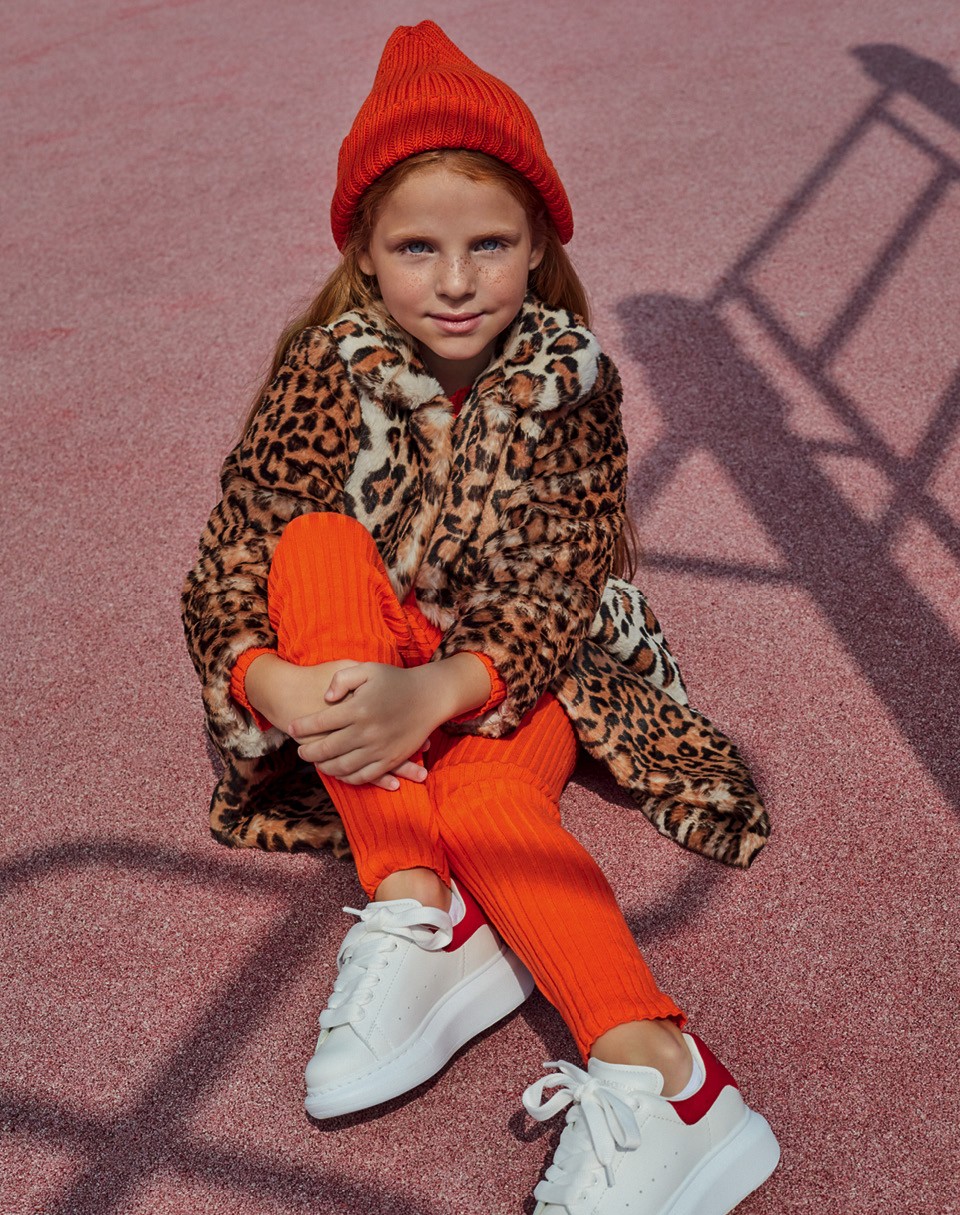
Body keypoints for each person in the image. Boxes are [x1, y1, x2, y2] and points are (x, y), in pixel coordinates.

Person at [182, 20, 778, 1214]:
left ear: (538, 242)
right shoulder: (323, 368)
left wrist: (433, 695)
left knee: (488, 799)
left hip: (534, 667)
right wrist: (266, 679)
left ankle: (670, 1082)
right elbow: (233, 554)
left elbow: (558, 583)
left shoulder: (569, 379)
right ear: (364, 255)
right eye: (417, 247)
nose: (455, 282)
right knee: (312, 545)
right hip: (372, 652)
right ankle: (415, 897)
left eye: (489, 243)